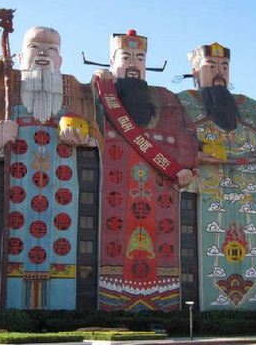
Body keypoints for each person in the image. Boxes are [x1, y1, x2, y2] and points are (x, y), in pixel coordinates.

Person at [0, 26, 97, 312]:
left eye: (51, 49)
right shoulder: (1, 86)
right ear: (20, 55)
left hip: (63, 191)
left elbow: (97, 133)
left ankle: (59, 310)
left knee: (63, 251)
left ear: (60, 59)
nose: (43, 53)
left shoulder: (75, 88)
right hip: (17, 188)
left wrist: (82, 133)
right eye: (35, 47)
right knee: (13, 247)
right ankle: (6, 310)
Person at [92, 29, 198, 311]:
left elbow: (187, 135)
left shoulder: (165, 97)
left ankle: (165, 307)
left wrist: (187, 167)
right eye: (125, 56)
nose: (133, 64)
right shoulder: (100, 92)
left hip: (161, 189)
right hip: (115, 183)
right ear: (112, 61)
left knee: (163, 244)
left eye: (140, 58)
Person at [177, 42, 256, 310]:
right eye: (210, 66)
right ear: (195, 71)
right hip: (201, 195)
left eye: (224, 67)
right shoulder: (179, 104)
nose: (219, 72)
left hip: (248, 195)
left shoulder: (255, 110)